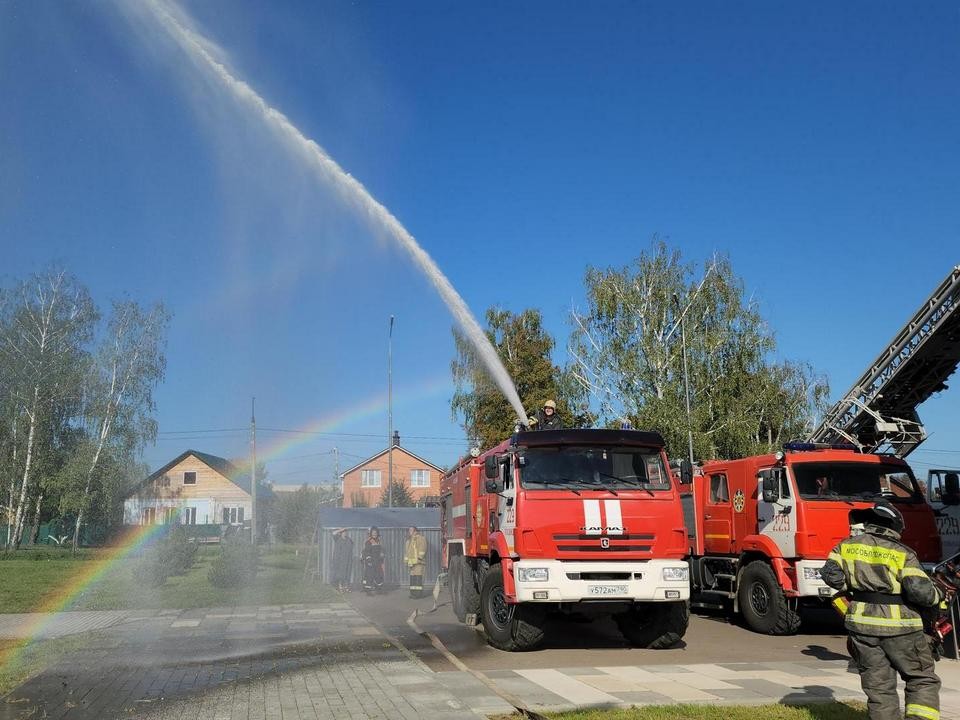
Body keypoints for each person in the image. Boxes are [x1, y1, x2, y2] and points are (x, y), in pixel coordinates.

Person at [820, 501, 943, 720]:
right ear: (894, 526)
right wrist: (938, 595)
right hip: (902, 629)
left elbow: (832, 576)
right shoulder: (902, 553)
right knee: (922, 679)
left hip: (862, 628)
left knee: (879, 687)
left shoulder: (846, 547)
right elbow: (920, 592)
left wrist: (856, 585)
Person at [404, 525, 427, 598]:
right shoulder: (408, 541)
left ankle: (418, 594)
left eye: (411, 530)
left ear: (416, 531)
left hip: (419, 563)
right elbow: (407, 552)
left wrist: (419, 558)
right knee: (413, 580)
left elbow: (423, 549)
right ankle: (413, 594)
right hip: (411, 564)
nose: (409, 532)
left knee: (418, 579)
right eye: (409, 530)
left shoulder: (421, 539)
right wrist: (406, 561)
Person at [361, 527, 385, 594]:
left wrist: (382, 554)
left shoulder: (378, 541)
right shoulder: (369, 541)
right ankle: (368, 591)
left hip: (377, 562)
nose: (374, 534)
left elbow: (380, 550)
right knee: (369, 576)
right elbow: (367, 552)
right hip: (371, 562)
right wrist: (369, 560)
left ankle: (379, 589)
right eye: (373, 533)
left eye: (376, 533)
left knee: (378, 575)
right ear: (371, 534)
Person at [330, 528, 354, 592]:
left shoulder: (349, 540)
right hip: (340, 561)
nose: (345, 533)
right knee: (340, 574)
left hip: (348, 560)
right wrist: (341, 529)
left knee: (347, 574)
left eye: (346, 532)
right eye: (343, 532)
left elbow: (351, 548)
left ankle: (346, 587)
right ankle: (340, 587)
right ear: (340, 533)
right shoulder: (337, 539)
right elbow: (333, 533)